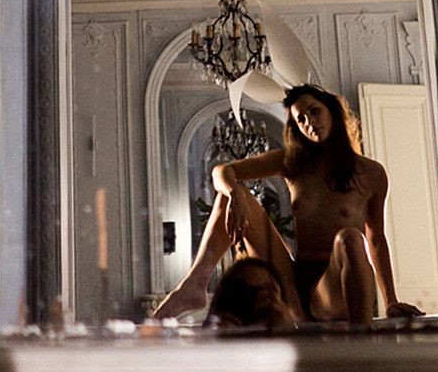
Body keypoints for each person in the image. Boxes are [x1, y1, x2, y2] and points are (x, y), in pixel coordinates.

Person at [154, 84, 424, 324]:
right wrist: (235, 192)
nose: (309, 122)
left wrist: (390, 300)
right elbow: (221, 172)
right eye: (301, 119)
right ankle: (195, 285)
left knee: (350, 238)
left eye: (314, 112)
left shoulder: (371, 173)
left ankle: (361, 344)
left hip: (334, 286)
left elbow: (376, 239)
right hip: (293, 281)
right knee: (231, 194)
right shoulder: (294, 163)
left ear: (331, 111)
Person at [206, 257, 297, 330]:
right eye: (242, 293)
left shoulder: (285, 331)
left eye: (267, 294)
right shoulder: (219, 330)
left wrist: (286, 329)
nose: (254, 300)